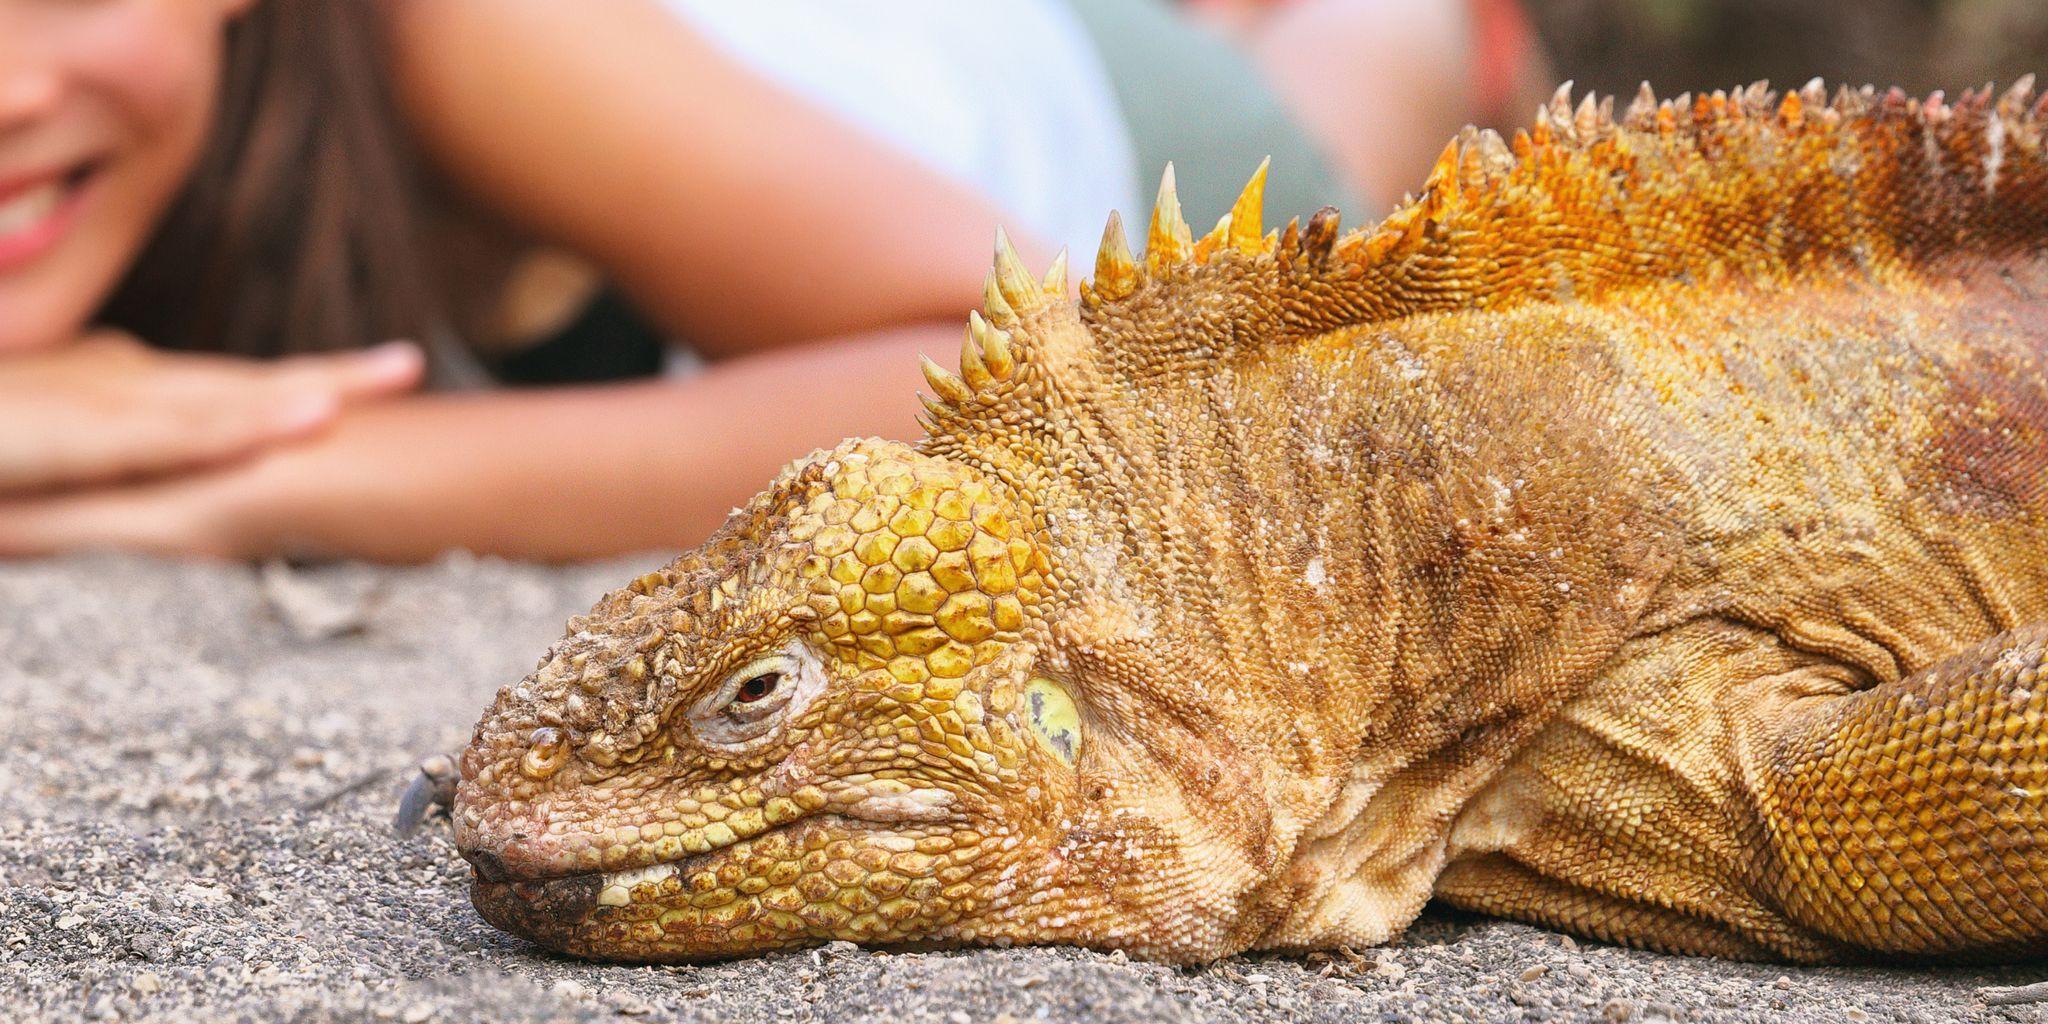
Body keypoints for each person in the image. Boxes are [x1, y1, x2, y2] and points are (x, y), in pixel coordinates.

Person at [0, 0, 1542, 562]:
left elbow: (1023, 354)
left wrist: (266, 465)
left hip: (1107, 149)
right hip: (842, 78)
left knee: (1359, 96)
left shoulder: (438, 27)